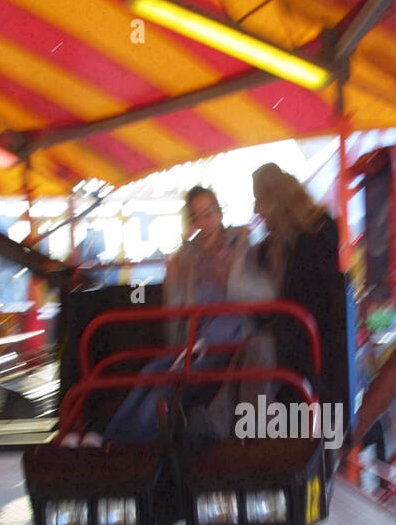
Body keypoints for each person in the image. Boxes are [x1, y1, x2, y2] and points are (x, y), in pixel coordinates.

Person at [69, 187, 262, 446]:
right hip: (196, 343)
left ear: (219, 213)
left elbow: (263, 293)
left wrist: (230, 276)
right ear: (191, 222)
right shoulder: (186, 258)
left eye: (209, 214)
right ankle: (103, 434)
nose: (205, 223)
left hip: (231, 344)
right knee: (150, 372)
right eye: (197, 217)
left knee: (171, 383)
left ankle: (118, 444)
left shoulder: (241, 244)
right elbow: (178, 311)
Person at [246, 163, 349, 424]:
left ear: (276, 200)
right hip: (303, 359)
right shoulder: (273, 247)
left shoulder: (316, 236)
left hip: (315, 361)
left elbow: (309, 305)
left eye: (259, 201)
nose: (257, 211)